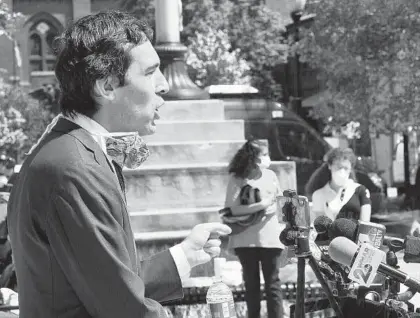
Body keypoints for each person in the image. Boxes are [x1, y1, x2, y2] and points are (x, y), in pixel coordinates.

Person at [7, 10, 231, 318]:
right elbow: (123, 308)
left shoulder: (70, 152)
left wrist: (183, 256)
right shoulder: (73, 167)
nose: (164, 85)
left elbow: (103, 282)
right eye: (151, 71)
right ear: (107, 87)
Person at [224, 139, 285, 318]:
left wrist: (277, 209)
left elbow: (280, 201)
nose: (268, 159)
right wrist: (262, 205)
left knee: (273, 284)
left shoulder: (271, 175)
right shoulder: (237, 178)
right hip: (245, 239)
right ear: (253, 158)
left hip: (270, 239)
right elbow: (232, 208)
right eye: (264, 155)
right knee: (251, 285)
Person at [308, 147, 371, 222]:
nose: (342, 171)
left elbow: (365, 225)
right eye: (338, 166)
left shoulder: (361, 191)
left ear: (350, 169)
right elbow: (320, 227)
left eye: (346, 168)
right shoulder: (318, 195)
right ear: (329, 166)